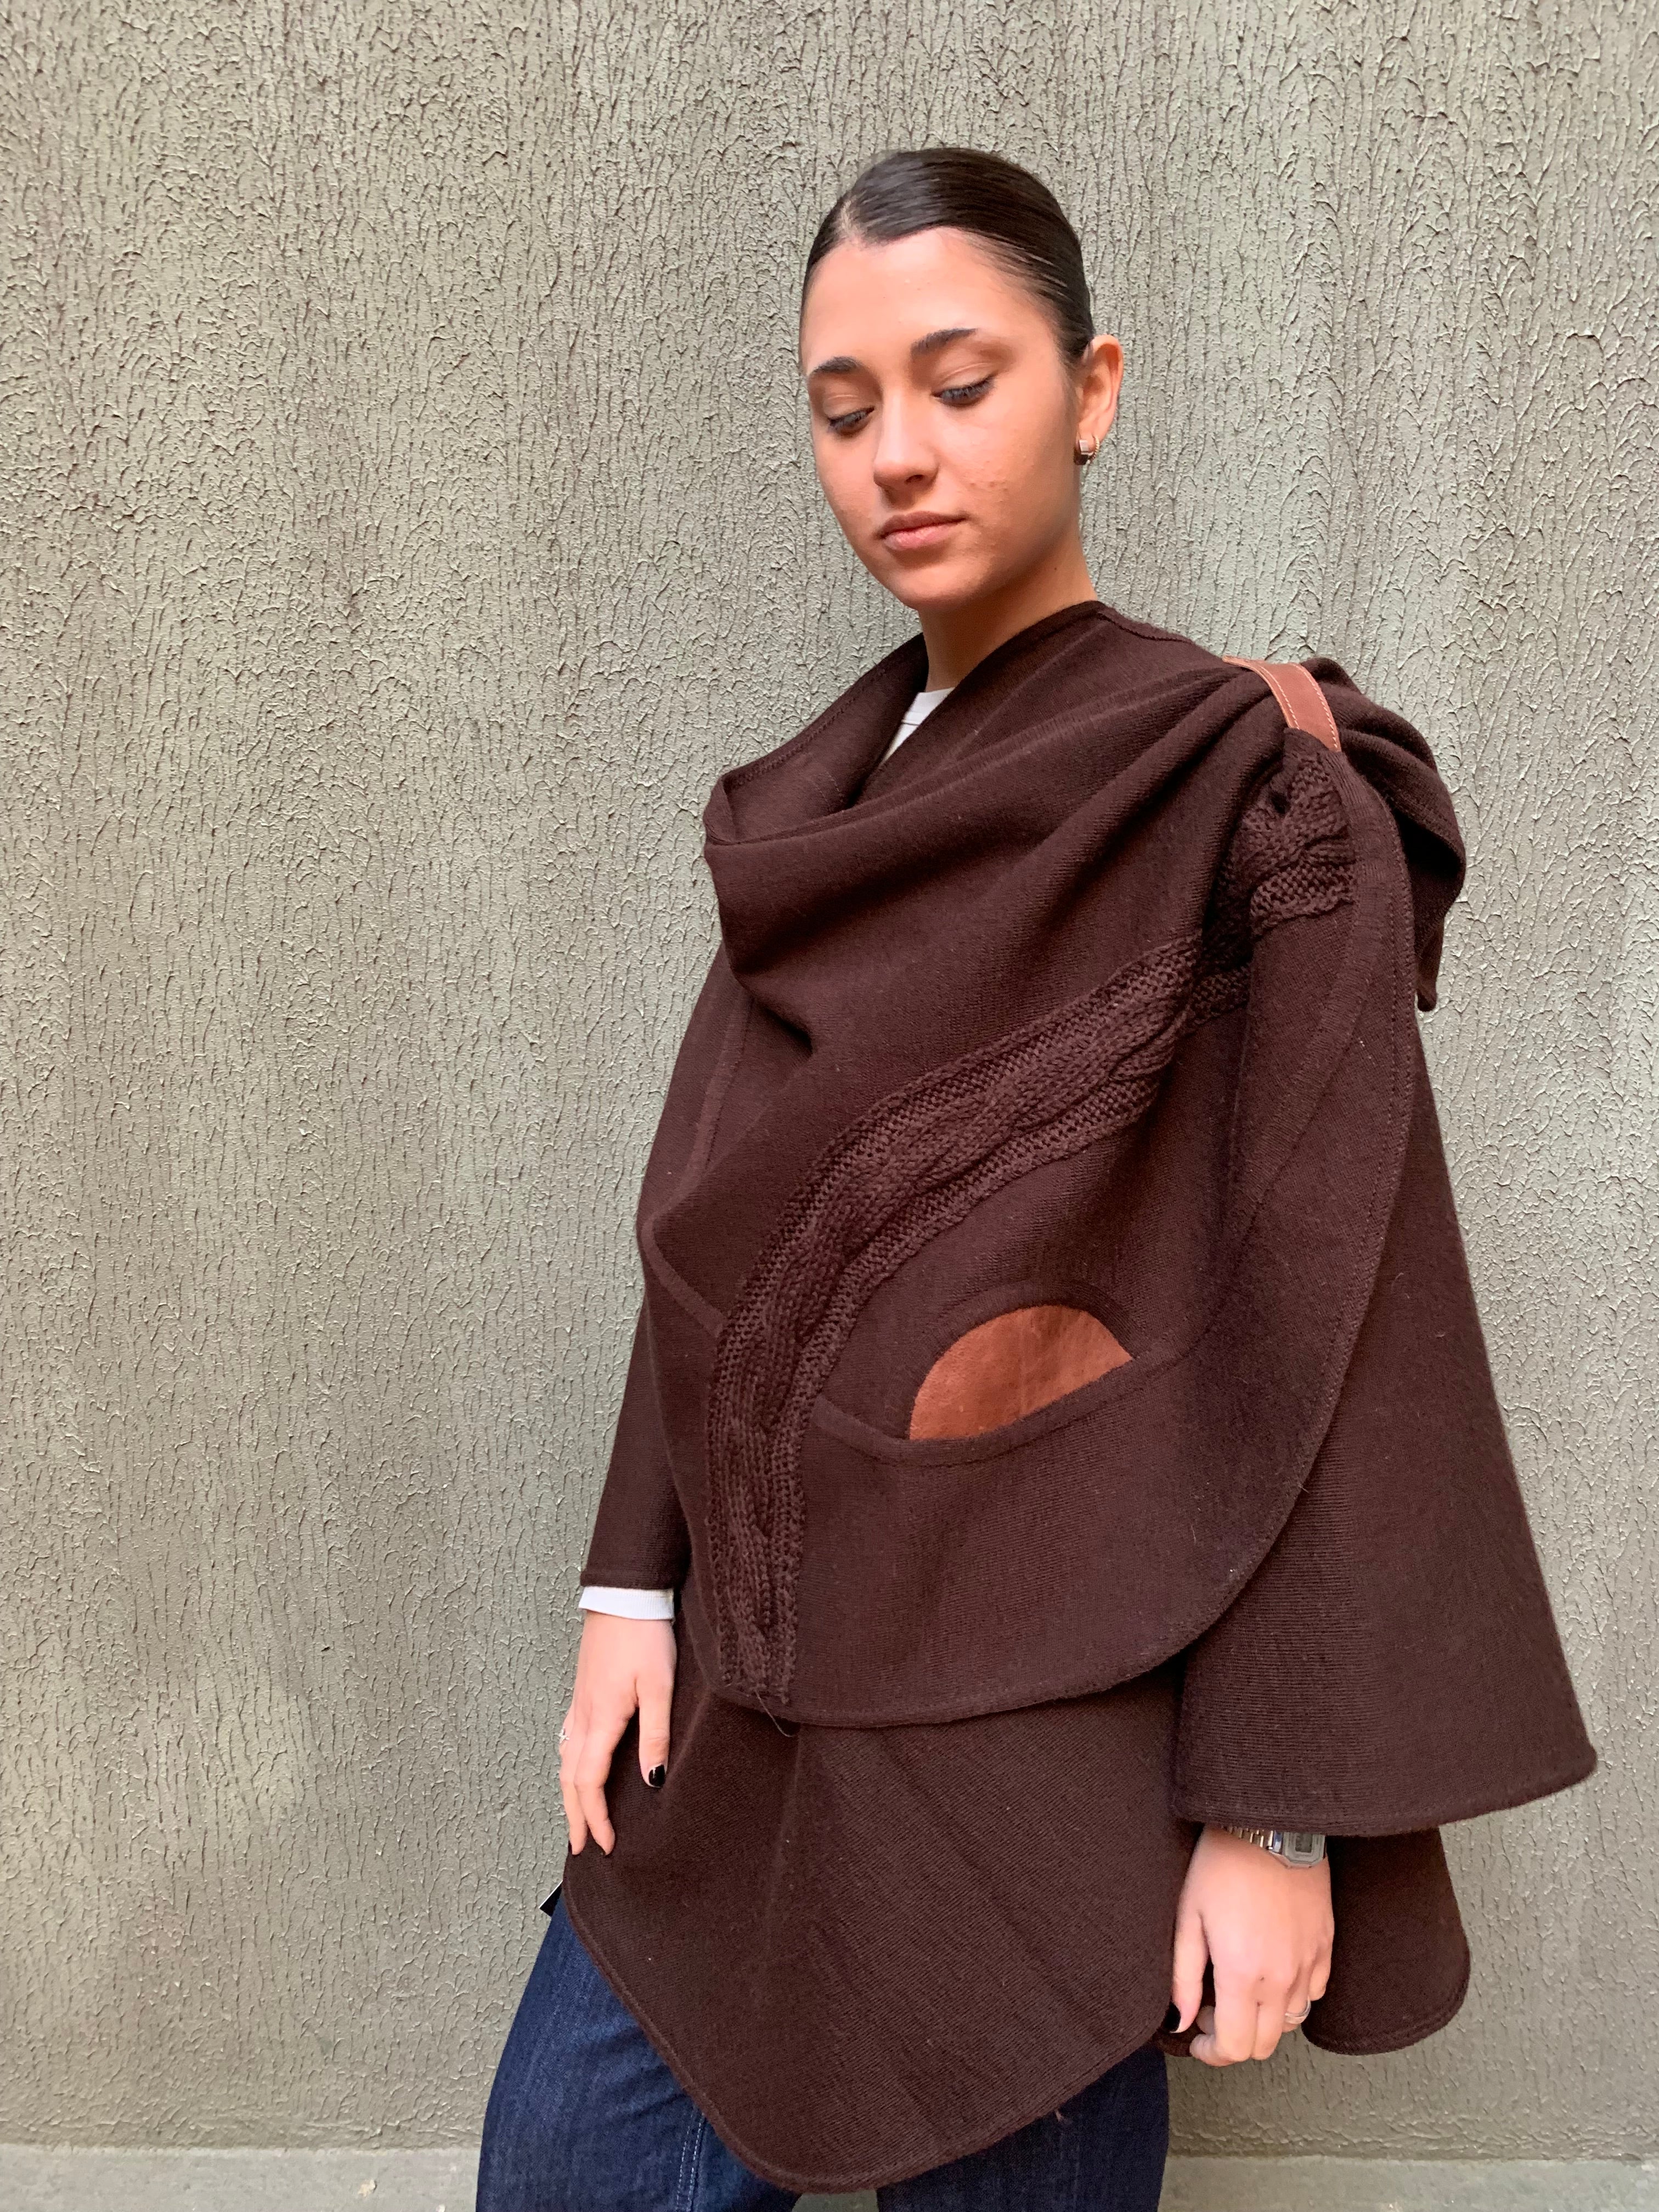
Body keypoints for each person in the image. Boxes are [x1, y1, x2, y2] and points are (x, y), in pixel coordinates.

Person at [476, 146, 1595, 2211]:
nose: (898, 453)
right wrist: (631, 1589)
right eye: (843, 409)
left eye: (960, 380)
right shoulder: (824, 809)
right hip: (758, 1703)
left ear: (1092, 389)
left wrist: (1278, 1813)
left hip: (1045, 1740)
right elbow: (721, 1231)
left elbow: (1344, 1306)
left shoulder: (1240, 785)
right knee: (566, 2167)